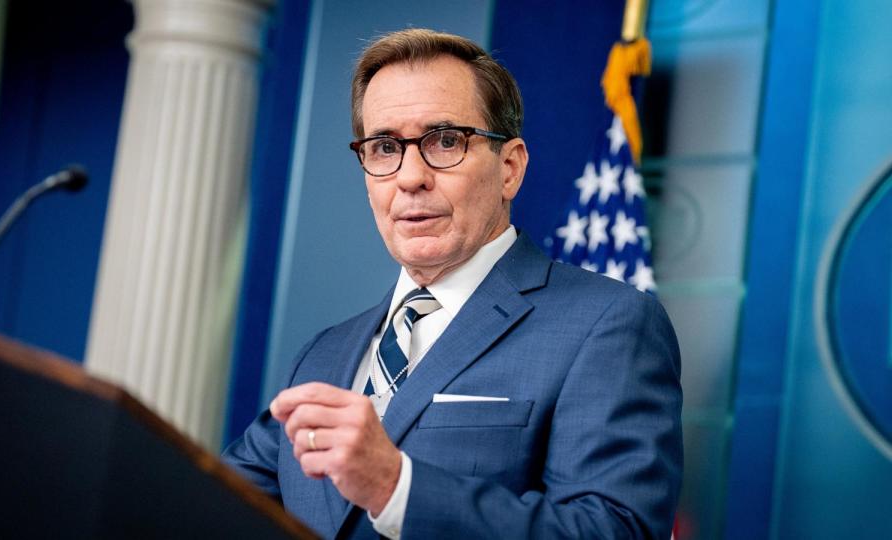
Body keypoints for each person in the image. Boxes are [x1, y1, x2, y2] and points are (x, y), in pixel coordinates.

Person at [223, 28, 682, 539]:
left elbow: (615, 531)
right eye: (384, 146)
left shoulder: (608, 324)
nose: (410, 176)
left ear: (509, 168)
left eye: (445, 141)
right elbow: (207, 504)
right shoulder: (323, 356)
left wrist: (397, 488)